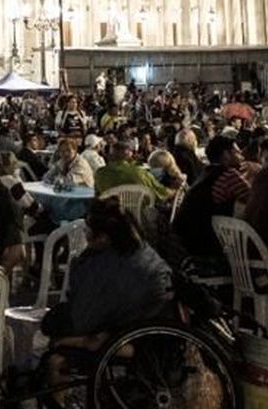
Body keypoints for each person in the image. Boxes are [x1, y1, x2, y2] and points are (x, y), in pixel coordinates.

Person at [42, 196, 172, 344]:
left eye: (88, 230)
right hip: (152, 319)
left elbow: (85, 317)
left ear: (103, 237)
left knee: (53, 323)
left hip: (132, 331)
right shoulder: (138, 248)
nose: (86, 234)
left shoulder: (107, 264)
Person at [172, 134, 251, 264]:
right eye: (236, 152)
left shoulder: (206, 172)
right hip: (204, 243)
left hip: (185, 239)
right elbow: (253, 200)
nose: (241, 155)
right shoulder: (229, 175)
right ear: (226, 154)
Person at [92, 135, 163, 199]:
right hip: (137, 211)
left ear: (109, 156)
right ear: (129, 156)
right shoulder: (140, 173)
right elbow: (160, 193)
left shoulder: (100, 173)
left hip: (107, 211)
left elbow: (97, 195)